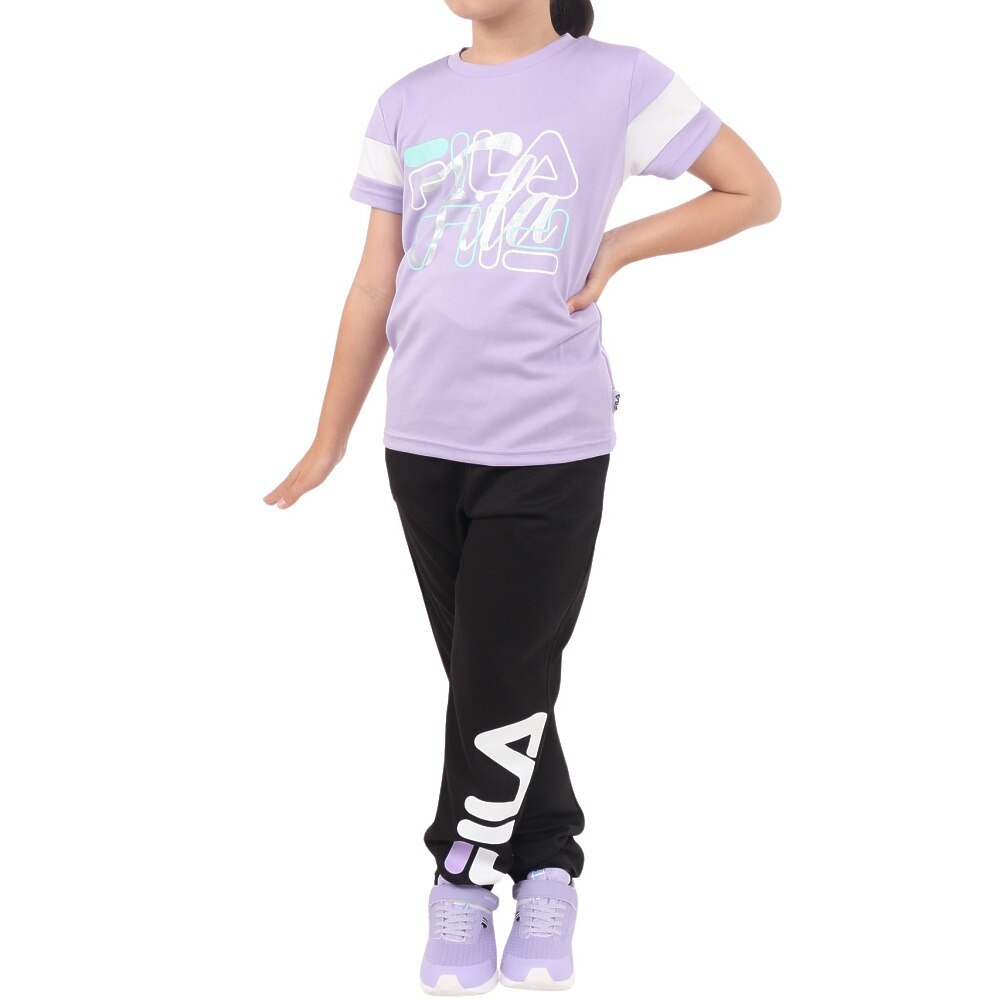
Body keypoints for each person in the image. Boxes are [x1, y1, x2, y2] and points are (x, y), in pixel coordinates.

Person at [265, 0, 780, 993]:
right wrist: (329, 437)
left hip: (548, 439)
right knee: (491, 678)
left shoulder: (619, 78)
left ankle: (460, 879)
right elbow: (374, 282)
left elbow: (751, 192)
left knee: (501, 673)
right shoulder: (406, 100)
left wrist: (618, 246)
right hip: (422, 439)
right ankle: (547, 859)